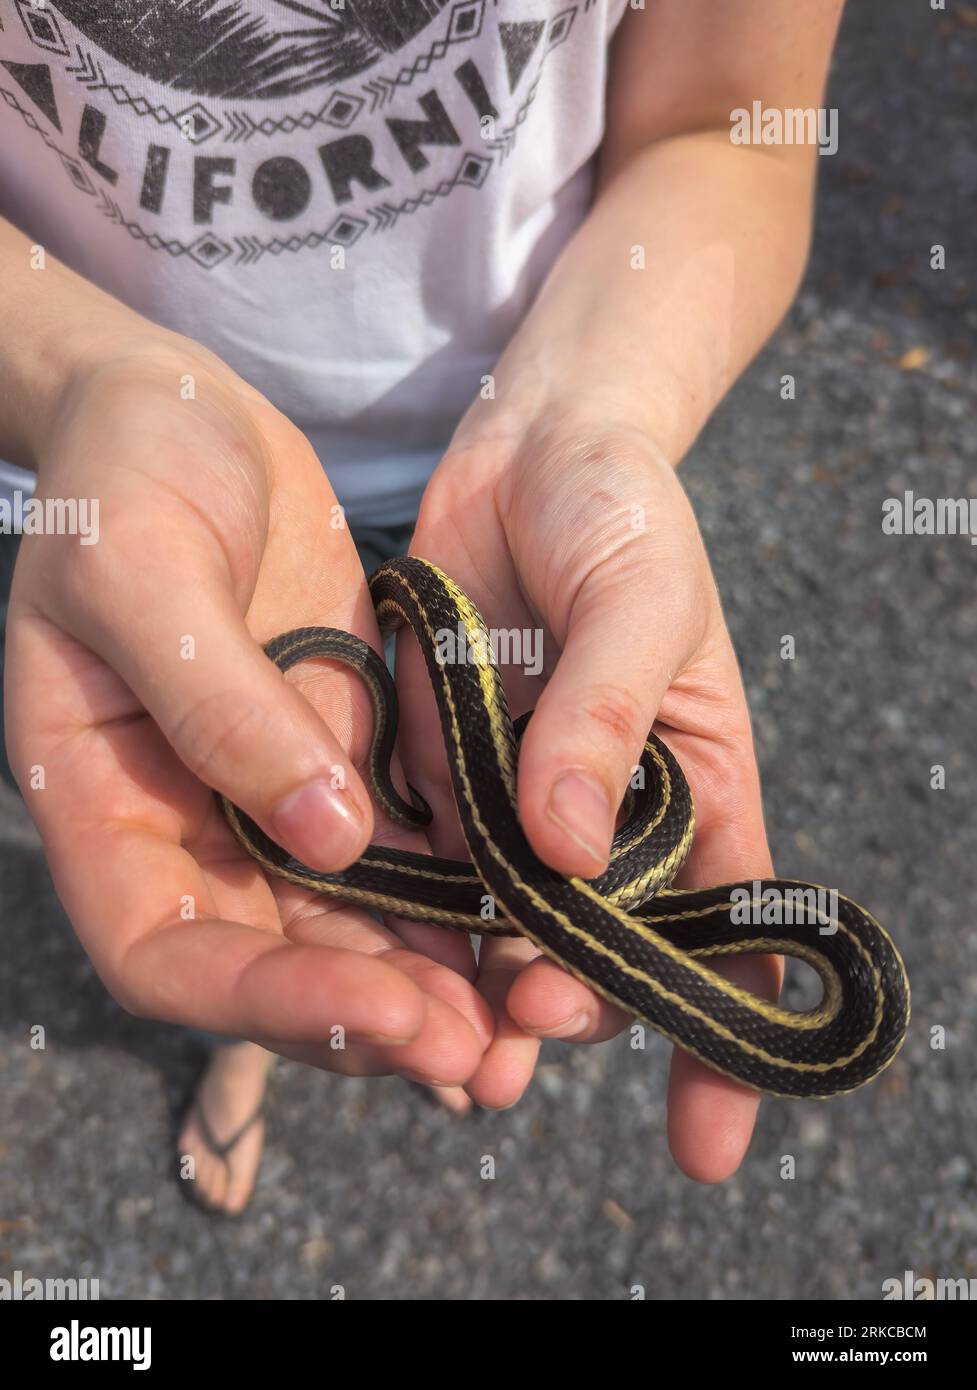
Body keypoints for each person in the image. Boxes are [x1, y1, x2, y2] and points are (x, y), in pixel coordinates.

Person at [0, 0, 846, 1214]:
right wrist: (80, 378)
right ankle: (257, 1024)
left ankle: (342, 967)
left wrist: (583, 413)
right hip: (89, 498)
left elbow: (727, 132)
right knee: (230, 817)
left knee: (318, 821)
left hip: (504, 478)